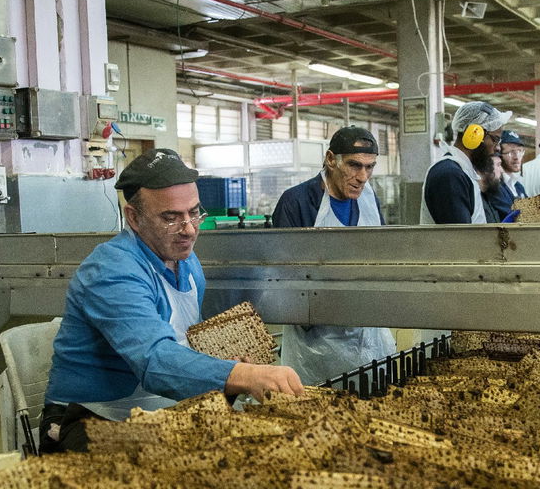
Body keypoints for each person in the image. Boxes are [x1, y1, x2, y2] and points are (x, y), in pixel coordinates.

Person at [43, 148, 303, 449]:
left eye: (194, 213)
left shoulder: (186, 261)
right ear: (134, 218)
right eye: (171, 218)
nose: (189, 230)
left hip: (162, 413)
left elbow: (182, 340)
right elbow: (154, 360)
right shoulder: (112, 272)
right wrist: (243, 375)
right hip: (94, 420)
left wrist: (223, 366)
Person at [272, 126, 396, 383]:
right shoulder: (296, 202)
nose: (363, 177)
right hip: (316, 346)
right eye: (354, 165)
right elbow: (286, 279)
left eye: (370, 167)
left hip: (369, 336)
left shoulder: (369, 200)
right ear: (331, 159)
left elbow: (382, 256)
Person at [421, 101, 508, 224]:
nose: (498, 148)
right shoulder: (450, 175)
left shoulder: (463, 172)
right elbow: (459, 237)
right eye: (495, 139)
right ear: (475, 134)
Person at [484, 130, 528, 222]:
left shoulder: (518, 187)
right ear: (499, 154)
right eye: (511, 152)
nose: (517, 157)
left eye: (520, 151)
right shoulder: (494, 186)